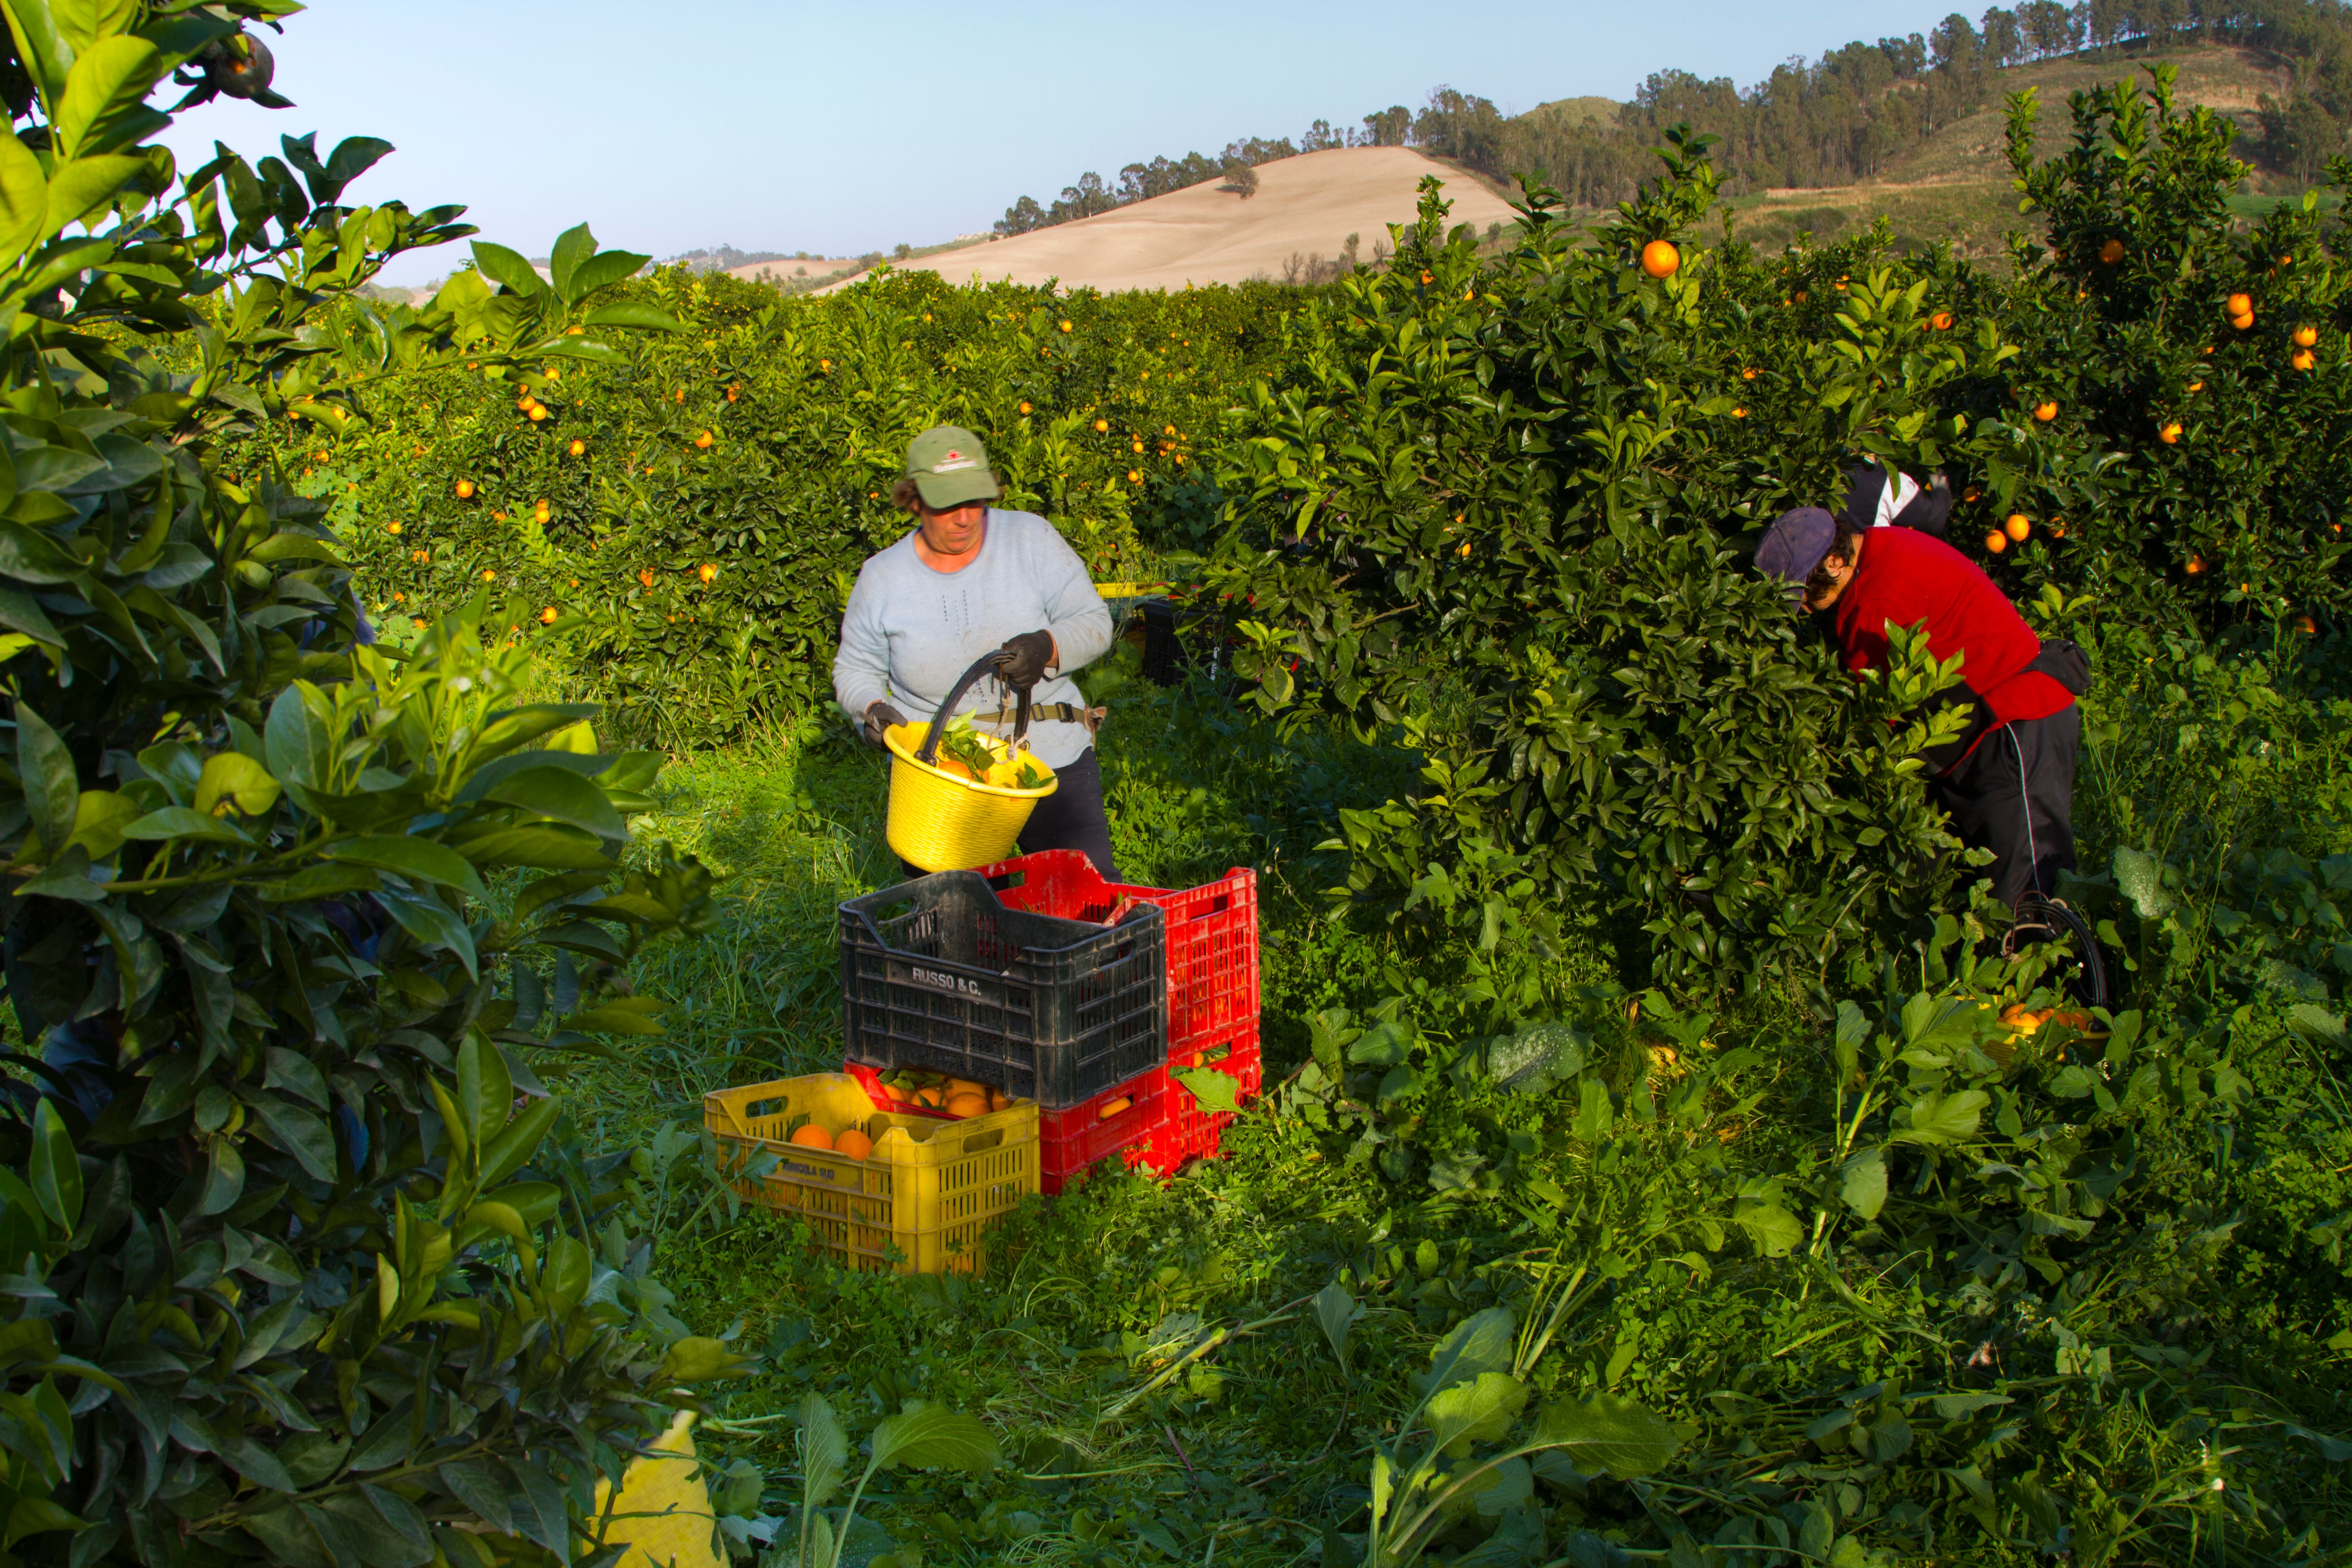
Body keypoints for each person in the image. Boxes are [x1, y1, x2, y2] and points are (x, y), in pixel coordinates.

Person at [1756, 505, 2085, 911]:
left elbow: (1875, 719)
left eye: (1805, 592)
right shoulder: (1883, 548)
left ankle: (2070, 970)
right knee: (1989, 899)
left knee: (2026, 895)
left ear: (1836, 562)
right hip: (1987, 732)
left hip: (2015, 726)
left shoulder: (1876, 603)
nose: (1804, 608)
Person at [833, 425, 1120, 879]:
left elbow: (1095, 623)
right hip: (943, 780)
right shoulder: (882, 578)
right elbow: (855, 668)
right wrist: (870, 708)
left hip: (1048, 761)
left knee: (1087, 910)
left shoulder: (1031, 539)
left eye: (975, 501)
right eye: (948, 504)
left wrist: (1047, 646)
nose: (965, 518)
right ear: (915, 500)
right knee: (954, 927)